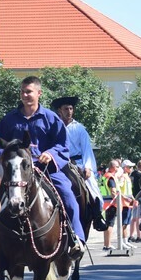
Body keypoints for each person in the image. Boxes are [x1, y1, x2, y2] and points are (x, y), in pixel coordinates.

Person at [0, 76, 85, 260]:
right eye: (22, 92)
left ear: (39, 93)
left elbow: (63, 145)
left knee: (67, 194)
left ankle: (76, 238)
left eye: (29, 92)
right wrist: (4, 155)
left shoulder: (50, 118)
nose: (25, 95)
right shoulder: (9, 119)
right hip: (17, 171)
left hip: (46, 169)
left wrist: (50, 154)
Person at [51, 96, 107, 232]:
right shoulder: (54, 127)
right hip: (58, 162)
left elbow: (87, 149)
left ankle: (97, 216)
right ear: (60, 110)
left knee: (92, 186)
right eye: (66, 109)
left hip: (78, 163)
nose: (69, 111)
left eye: (71, 109)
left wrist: (88, 167)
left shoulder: (80, 129)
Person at [101, 159, 134, 251]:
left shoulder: (105, 176)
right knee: (110, 224)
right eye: (117, 167)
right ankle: (108, 245)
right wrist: (117, 200)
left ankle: (106, 244)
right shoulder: (110, 177)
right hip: (111, 203)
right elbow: (113, 191)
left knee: (108, 224)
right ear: (113, 167)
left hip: (106, 203)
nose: (119, 168)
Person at [127, 159, 141, 243]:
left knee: (134, 218)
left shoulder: (132, 175)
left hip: (132, 197)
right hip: (140, 198)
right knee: (139, 217)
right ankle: (139, 236)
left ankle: (131, 235)